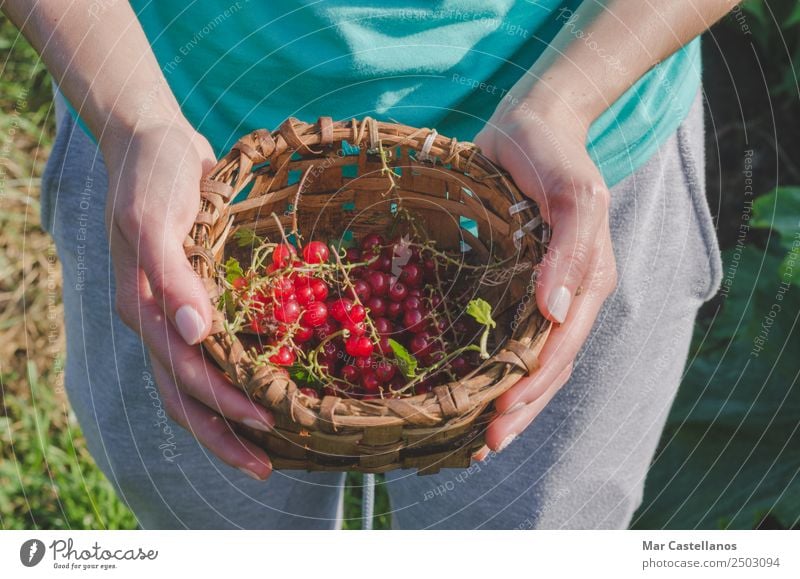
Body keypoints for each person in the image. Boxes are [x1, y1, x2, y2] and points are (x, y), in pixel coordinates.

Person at [5, 1, 729, 529]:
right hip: (169, 156)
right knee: (205, 520)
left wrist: (565, 103)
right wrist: (136, 118)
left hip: (580, 160)